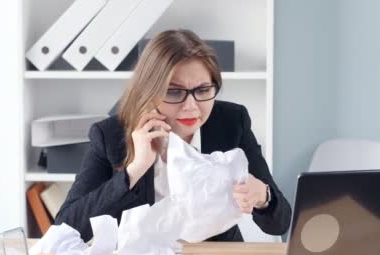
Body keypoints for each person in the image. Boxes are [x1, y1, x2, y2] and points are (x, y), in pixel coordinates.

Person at [55, 29, 291, 242]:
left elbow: (279, 223)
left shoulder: (231, 122)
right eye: (174, 92)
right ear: (148, 92)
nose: (191, 106)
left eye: (202, 90)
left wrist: (264, 197)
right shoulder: (110, 135)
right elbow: (66, 228)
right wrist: (134, 170)